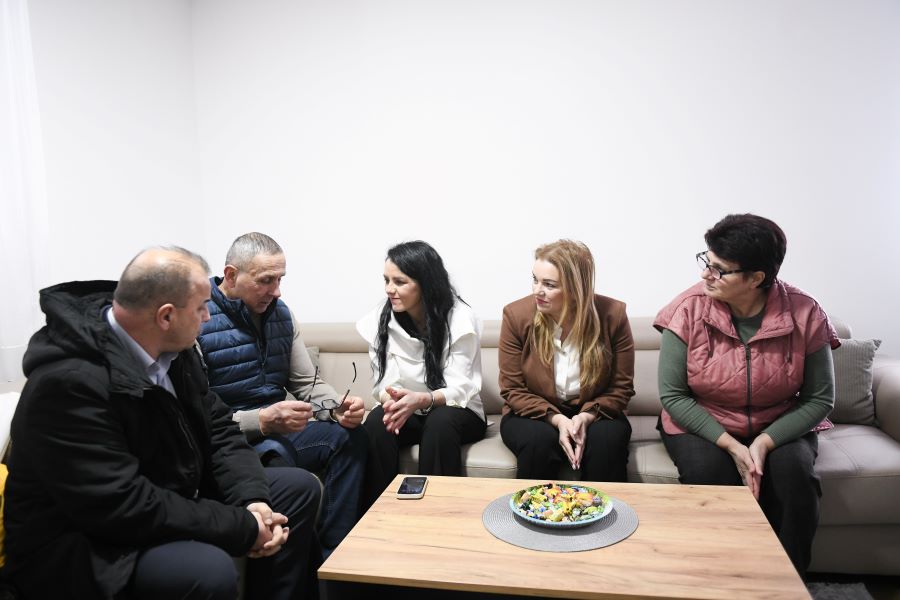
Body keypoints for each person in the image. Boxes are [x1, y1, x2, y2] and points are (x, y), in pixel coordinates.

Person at [2, 247, 320, 600]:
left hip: (164, 494)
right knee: (205, 569)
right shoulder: (69, 384)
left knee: (295, 490)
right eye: (201, 308)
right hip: (83, 544)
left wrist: (253, 500)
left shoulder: (174, 351)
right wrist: (242, 527)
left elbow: (219, 430)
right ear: (166, 316)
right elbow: (123, 504)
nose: (208, 318)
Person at [654, 213, 838, 577]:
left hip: (778, 421)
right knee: (709, 476)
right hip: (703, 421)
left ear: (756, 278)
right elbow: (673, 396)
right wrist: (732, 445)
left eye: (719, 270)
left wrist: (765, 443)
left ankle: (786, 584)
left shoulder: (806, 312)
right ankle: (720, 581)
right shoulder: (686, 309)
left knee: (794, 478)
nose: (705, 274)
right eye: (705, 261)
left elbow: (820, 398)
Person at [196, 232, 367, 558]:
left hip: (276, 429)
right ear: (231, 275)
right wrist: (260, 420)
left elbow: (306, 382)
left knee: (350, 437)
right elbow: (199, 416)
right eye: (266, 280)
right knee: (280, 459)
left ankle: (335, 553)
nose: (276, 291)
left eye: (279, 279)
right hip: (231, 439)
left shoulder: (281, 314)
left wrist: (337, 407)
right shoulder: (198, 318)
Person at [356, 241, 486, 507]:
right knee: (378, 421)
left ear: (425, 283)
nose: (389, 289)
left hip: (457, 410)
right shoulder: (380, 320)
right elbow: (382, 383)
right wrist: (393, 400)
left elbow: (461, 387)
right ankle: (377, 514)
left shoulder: (460, 318)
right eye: (386, 280)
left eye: (399, 282)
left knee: (440, 421)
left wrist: (424, 399)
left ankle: (435, 513)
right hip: (410, 410)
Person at [499, 240, 634, 481]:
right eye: (535, 280)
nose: (537, 291)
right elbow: (512, 390)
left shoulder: (613, 315)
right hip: (532, 412)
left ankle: (601, 506)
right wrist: (558, 420)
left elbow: (621, 389)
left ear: (575, 289)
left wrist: (585, 417)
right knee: (538, 441)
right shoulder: (515, 316)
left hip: (596, 411)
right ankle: (536, 506)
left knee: (606, 442)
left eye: (549, 285)